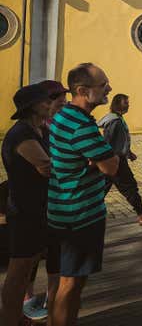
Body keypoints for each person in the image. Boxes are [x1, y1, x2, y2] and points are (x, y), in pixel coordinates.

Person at [48, 63, 119, 326]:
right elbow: (112, 166)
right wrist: (99, 159)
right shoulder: (82, 126)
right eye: (103, 85)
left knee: (64, 282)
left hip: (60, 210)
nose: (109, 89)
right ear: (81, 90)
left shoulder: (63, 116)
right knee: (71, 283)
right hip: (80, 215)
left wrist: (94, 159)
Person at [0, 84, 59, 326]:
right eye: (45, 101)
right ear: (33, 106)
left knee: (27, 267)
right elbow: (47, 166)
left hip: (38, 209)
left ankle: (18, 317)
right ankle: (9, 320)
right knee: (18, 270)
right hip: (25, 211)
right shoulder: (21, 134)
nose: (50, 104)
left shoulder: (38, 130)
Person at [21, 80, 69, 322]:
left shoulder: (45, 129)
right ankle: (25, 301)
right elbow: (46, 166)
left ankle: (51, 300)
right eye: (54, 98)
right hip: (31, 206)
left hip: (51, 202)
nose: (59, 101)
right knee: (28, 259)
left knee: (52, 253)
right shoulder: (25, 132)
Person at [98, 94, 142, 226]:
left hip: (116, 159)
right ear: (118, 104)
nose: (128, 105)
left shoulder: (118, 118)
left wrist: (128, 152)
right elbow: (108, 141)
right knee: (129, 187)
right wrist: (111, 159)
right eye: (126, 103)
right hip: (115, 161)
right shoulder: (114, 121)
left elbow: (119, 140)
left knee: (103, 188)